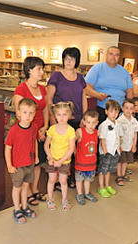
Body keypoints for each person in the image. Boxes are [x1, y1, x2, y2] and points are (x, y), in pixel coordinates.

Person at [47, 47, 87, 188]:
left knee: (74, 150)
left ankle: (70, 177)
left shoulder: (81, 78)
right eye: (66, 59)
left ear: (77, 61)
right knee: (60, 149)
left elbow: (83, 99)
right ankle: (57, 179)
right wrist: (53, 119)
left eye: (72, 59)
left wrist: (85, 117)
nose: (69, 62)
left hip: (76, 119)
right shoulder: (56, 76)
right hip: (60, 120)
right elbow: (49, 98)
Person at [13, 56, 48, 206]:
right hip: (26, 133)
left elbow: (45, 108)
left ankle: (34, 189)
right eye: (39, 68)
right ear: (29, 70)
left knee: (38, 162)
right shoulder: (21, 89)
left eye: (42, 68)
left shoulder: (42, 88)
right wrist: (35, 131)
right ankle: (26, 193)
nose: (42, 71)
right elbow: (19, 113)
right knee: (26, 164)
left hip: (41, 131)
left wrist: (45, 126)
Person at [5, 98, 38, 223]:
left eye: (30, 113)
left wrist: (36, 156)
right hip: (17, 165)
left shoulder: (33, 127)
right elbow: (7, 148)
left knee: (26, 186)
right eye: (24, 112)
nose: (27, 116)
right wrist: (9, 165)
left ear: (34, 114)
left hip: (29, 163)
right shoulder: (13, 130)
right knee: (17, 187)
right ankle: (17, 208)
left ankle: (25, 206)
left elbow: (33, 140)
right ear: (18, 112)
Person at [85, 46, 133, 124]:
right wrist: (98, 95)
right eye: (111, 54)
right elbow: (86, 87)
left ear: (119, 57)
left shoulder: (125, 72)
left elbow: (130, 91)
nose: (114, 57)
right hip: (101, 109)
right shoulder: (97, 68)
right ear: (106, 55)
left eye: (116, 55)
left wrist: (130, 109)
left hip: (120, 111)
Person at [44, 102, 75, 211]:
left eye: (64, 115)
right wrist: (50, 158)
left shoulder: (71, 130)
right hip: (52, 160)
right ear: (55, 115)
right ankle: (50, 199)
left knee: (63, 181)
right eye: (59, 115)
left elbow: (71, 149)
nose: (61, 118)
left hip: (65, 162)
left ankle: (64, 200)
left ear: (69, 115)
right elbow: (46, 145)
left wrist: (61, 161)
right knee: (52, 180)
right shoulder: (52, 129)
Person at [75, 110, 99, 205]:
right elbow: (71, 143)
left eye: (93, 123)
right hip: (81, 162)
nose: (91, 125)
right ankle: (80, 194)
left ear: (97, 123)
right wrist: (73, 153)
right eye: (88, 122)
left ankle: (87, 193)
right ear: (84, 122)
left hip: (91, 163)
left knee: (88, 180)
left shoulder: (97, 133)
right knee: (79, 180)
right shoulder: (80, 131)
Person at [97, 100, 120, 197]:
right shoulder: (104, 125)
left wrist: (119, 148)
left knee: (109, 170)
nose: (114, 114)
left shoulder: (117, 124)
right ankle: (101, 187)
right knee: (103, 170)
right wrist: (105, 152)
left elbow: (118, 136)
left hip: (114, 151)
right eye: (111, 111)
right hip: (106, 152)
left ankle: (107, 185)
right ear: (106, 111)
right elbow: (102, 139)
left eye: (116, 112)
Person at [116, 99, 138, 186]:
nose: (129, 110)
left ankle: (123, 174)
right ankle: (119, 176)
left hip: (129, 145)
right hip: (121, 145)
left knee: (125, 161)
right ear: (122, 108)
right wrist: (119, 146)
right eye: (126, 108)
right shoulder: (120, 121)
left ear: (133, 109)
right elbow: (118, 135)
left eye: (131, 108)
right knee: (120, 161)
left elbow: (135, 134)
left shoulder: (134, 121)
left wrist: (134, 145)